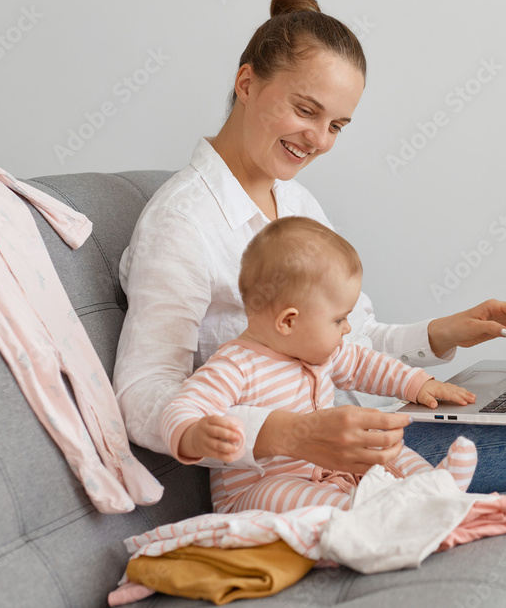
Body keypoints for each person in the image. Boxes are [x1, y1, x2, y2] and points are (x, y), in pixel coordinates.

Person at [113, 0, 506, 608]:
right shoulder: (183, 223)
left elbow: (354, 337)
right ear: (246, 83)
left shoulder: (295, 201)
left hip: (365, 428)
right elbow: (143, 396)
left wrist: (444, 332)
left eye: (337, 124)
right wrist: (285, 433)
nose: (319, 140)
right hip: (321, 464)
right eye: (306, 111)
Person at [159, 215, 479, 513]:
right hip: (255, 492)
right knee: (285, 490)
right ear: (288, 321)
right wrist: (194, 434)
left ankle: (436, 487)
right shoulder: (234, 366)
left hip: (327, 471)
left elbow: (364, 364)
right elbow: (179, 409)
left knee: (387, 448)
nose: (347, 328)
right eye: (339, 319)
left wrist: (417, 383)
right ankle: (379, 511)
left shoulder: (320, 353)